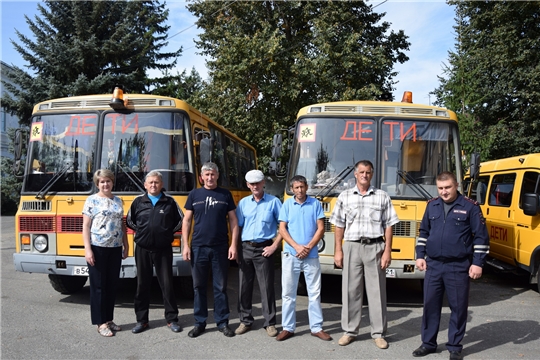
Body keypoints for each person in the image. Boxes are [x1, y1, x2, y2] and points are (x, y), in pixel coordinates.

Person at [412, 172, 489, 360]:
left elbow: (481, 237)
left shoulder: (470, 207)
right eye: (440, 188)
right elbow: (423, 232)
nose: (444, 192)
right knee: (430, 305)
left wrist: (478, 263)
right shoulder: (432, 206)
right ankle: (428, 343)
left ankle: (454, 346)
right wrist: (420, 255)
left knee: (458, 307)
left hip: (458, 265)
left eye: (448, 187)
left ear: (456, 186)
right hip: (434, 265)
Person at [329, 160, 399, 349]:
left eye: (368, 172)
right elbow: (338, 225)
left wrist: (387, 251)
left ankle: (378, 333)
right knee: (351, 291)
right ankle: (350, 331)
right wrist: (338, 250)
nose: (364, 175)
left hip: (375, 247)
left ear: (372, 174)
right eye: (361, 172)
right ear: (355, 174)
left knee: (376, 291)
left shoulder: (382, 196)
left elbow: (389, 225)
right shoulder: (345, 196)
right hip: (351, 246)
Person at [182, 162, 239, 338]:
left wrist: (233, 245)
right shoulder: (194, 194)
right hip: (198, 247)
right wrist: (185, 245)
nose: (210, 177)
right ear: (201, 177)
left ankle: (222, 322)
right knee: (198, 286)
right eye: (206, 175)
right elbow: (186, 221)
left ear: (217, 175)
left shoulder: (225, 194)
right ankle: (200, 322)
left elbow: (234, 222)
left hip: (220, 247)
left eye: (212, 174)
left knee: (220, 287)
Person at [126, 170, 183, 334]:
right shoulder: (138, 202)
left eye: (156, 182)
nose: (153, 185)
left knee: (167, 285)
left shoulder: (170, 202)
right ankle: (141, 321)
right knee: (142, 284)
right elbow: (130, 221)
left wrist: (166, 233)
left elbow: (180, 220)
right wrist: (143, 233)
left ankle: (172, 319)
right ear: (145, 185)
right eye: (150, 182)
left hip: (163, 249)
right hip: (143, 248)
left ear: (161, 184)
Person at [276, 175, 331, 342]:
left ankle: (316, 328)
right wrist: (297, 247)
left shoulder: (315, 204)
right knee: (288, 293)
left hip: (311, 255)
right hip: (290, 254)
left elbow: (320, 229)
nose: (300, 190)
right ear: (292, 189)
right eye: (296, 187)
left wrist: (307, 247)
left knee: (314, 293)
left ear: (307, 187)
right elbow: (282, 229)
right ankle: (288, 327)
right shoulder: (287, 204)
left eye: (302, 187)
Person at [235, 170, 282, 337]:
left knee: (267, 287)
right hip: (246, 247)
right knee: (244, 287)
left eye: (258, 183)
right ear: (248, 185)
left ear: (263, 183)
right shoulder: (242, 204)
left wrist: (274, 246)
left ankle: (269, 323)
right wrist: (235, 247)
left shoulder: (274, 202)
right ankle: (245, 320)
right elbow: (237, 227)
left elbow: (283, 227)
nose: (255, 186)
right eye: (251, 184)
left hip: (265, 249)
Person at [82, 169, 129, 337]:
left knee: (111, 285)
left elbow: (121, 224)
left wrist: (126, 244)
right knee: (98, 286)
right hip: (98, 247)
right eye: (102, 182)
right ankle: (100, 322)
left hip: (115, 248)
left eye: (108, 181)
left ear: (112, 182)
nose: (105, 184)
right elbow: (86, 226)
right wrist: (88, 250)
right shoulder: (91, 200)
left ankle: (109, 319)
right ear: (97, 184)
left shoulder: (118, 201)